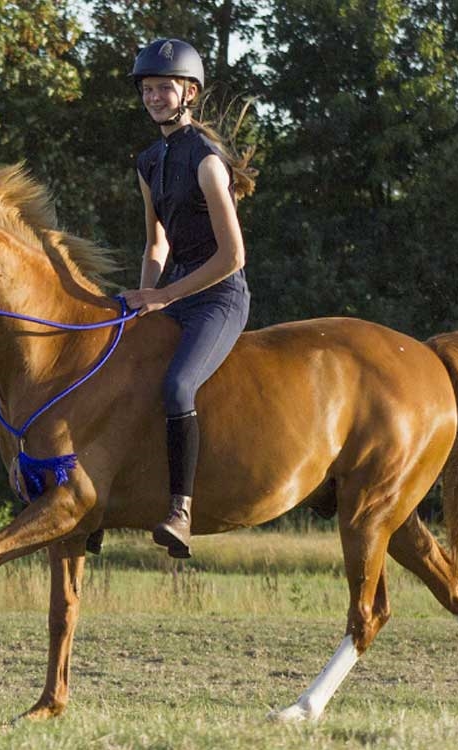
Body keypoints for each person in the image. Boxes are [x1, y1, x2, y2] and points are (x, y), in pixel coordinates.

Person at [120, 38, 256, 559]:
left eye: (164, 88)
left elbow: (233, 256)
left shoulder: (207, 162)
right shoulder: (148, 161)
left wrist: (165, 295)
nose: (154, 96)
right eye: (148, 89)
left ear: (189, 93)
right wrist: (145, 296)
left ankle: (181, 510)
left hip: (218, 298)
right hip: (173, 293)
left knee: (177, 386)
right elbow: (156, 243)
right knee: (116, 363)